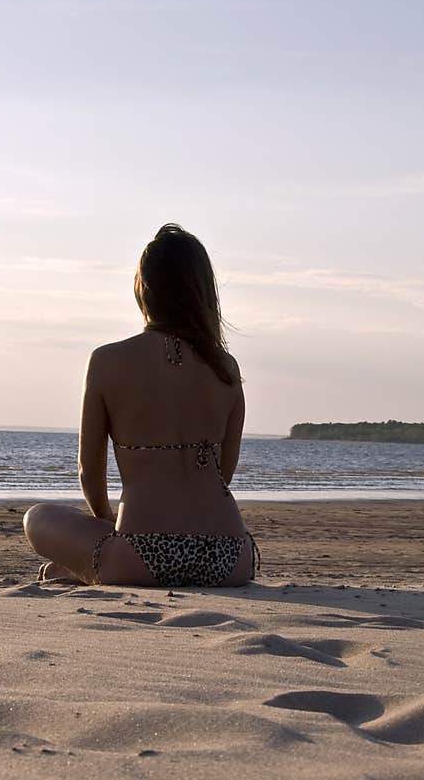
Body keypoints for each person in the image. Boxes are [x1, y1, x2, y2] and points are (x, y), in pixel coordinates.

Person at [23, 223, 261, 587]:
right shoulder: (225, 368)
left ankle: (86, 567)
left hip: (141, 555)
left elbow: (90, 472)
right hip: (230, 557)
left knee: (37, 518)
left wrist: (106, 522)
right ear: (203, 292)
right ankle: (88, 567)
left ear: (142, 288)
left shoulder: (107, 361)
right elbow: (223, 474)